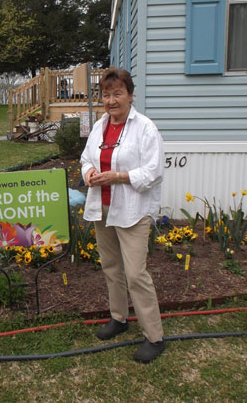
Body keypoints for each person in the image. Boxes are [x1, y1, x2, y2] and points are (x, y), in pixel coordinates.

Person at [80, 67, 165, 364]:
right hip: (102, 206)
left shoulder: (145, 128)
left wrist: (118, 176)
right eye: (106, 94)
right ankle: (119, 318)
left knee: (135, 273)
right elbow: (87, 157)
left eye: (118, 93)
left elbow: (153, 172)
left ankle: (154, 336)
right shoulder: (101, 125)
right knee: (112, 267)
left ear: (130, 95)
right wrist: (89, 172)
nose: (111, 100)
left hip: (132, 210)